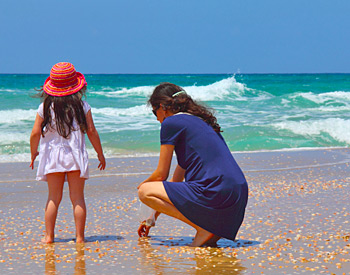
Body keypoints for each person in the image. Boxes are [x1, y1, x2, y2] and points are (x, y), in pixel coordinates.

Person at [137, 82, 248, 247]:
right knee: (202, 250)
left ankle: (201, 226)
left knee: (144, 190)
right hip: (236, 196)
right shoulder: (201, 122)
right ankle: (208, 229)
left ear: (162, 107)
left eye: (155, 113)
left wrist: (142, 188)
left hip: (216, 192)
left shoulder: (171, 123)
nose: (158, 118)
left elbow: (161, 175)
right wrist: (150, 219)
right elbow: (173, 185)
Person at [30, 62, 106, 243]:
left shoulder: (45, 107)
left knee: (53, 198)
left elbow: (34, 133)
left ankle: (49, 236)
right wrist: (100, 153)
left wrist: (33, 153)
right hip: (75, 156)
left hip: (52, 157)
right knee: (78, 198)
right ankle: (80, 237)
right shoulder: (82, 106)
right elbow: (92, 131)